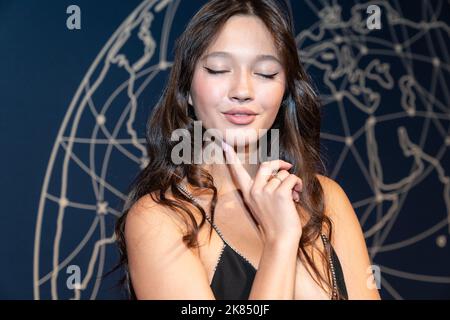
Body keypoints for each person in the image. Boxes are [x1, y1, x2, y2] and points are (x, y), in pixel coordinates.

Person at [114, 0, 381, 300]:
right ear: (186, 89)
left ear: (285, 93)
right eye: (218, 69)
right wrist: (280, 241)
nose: (242, 91)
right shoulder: (163, 218)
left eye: (265, 73)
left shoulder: (326, 199)